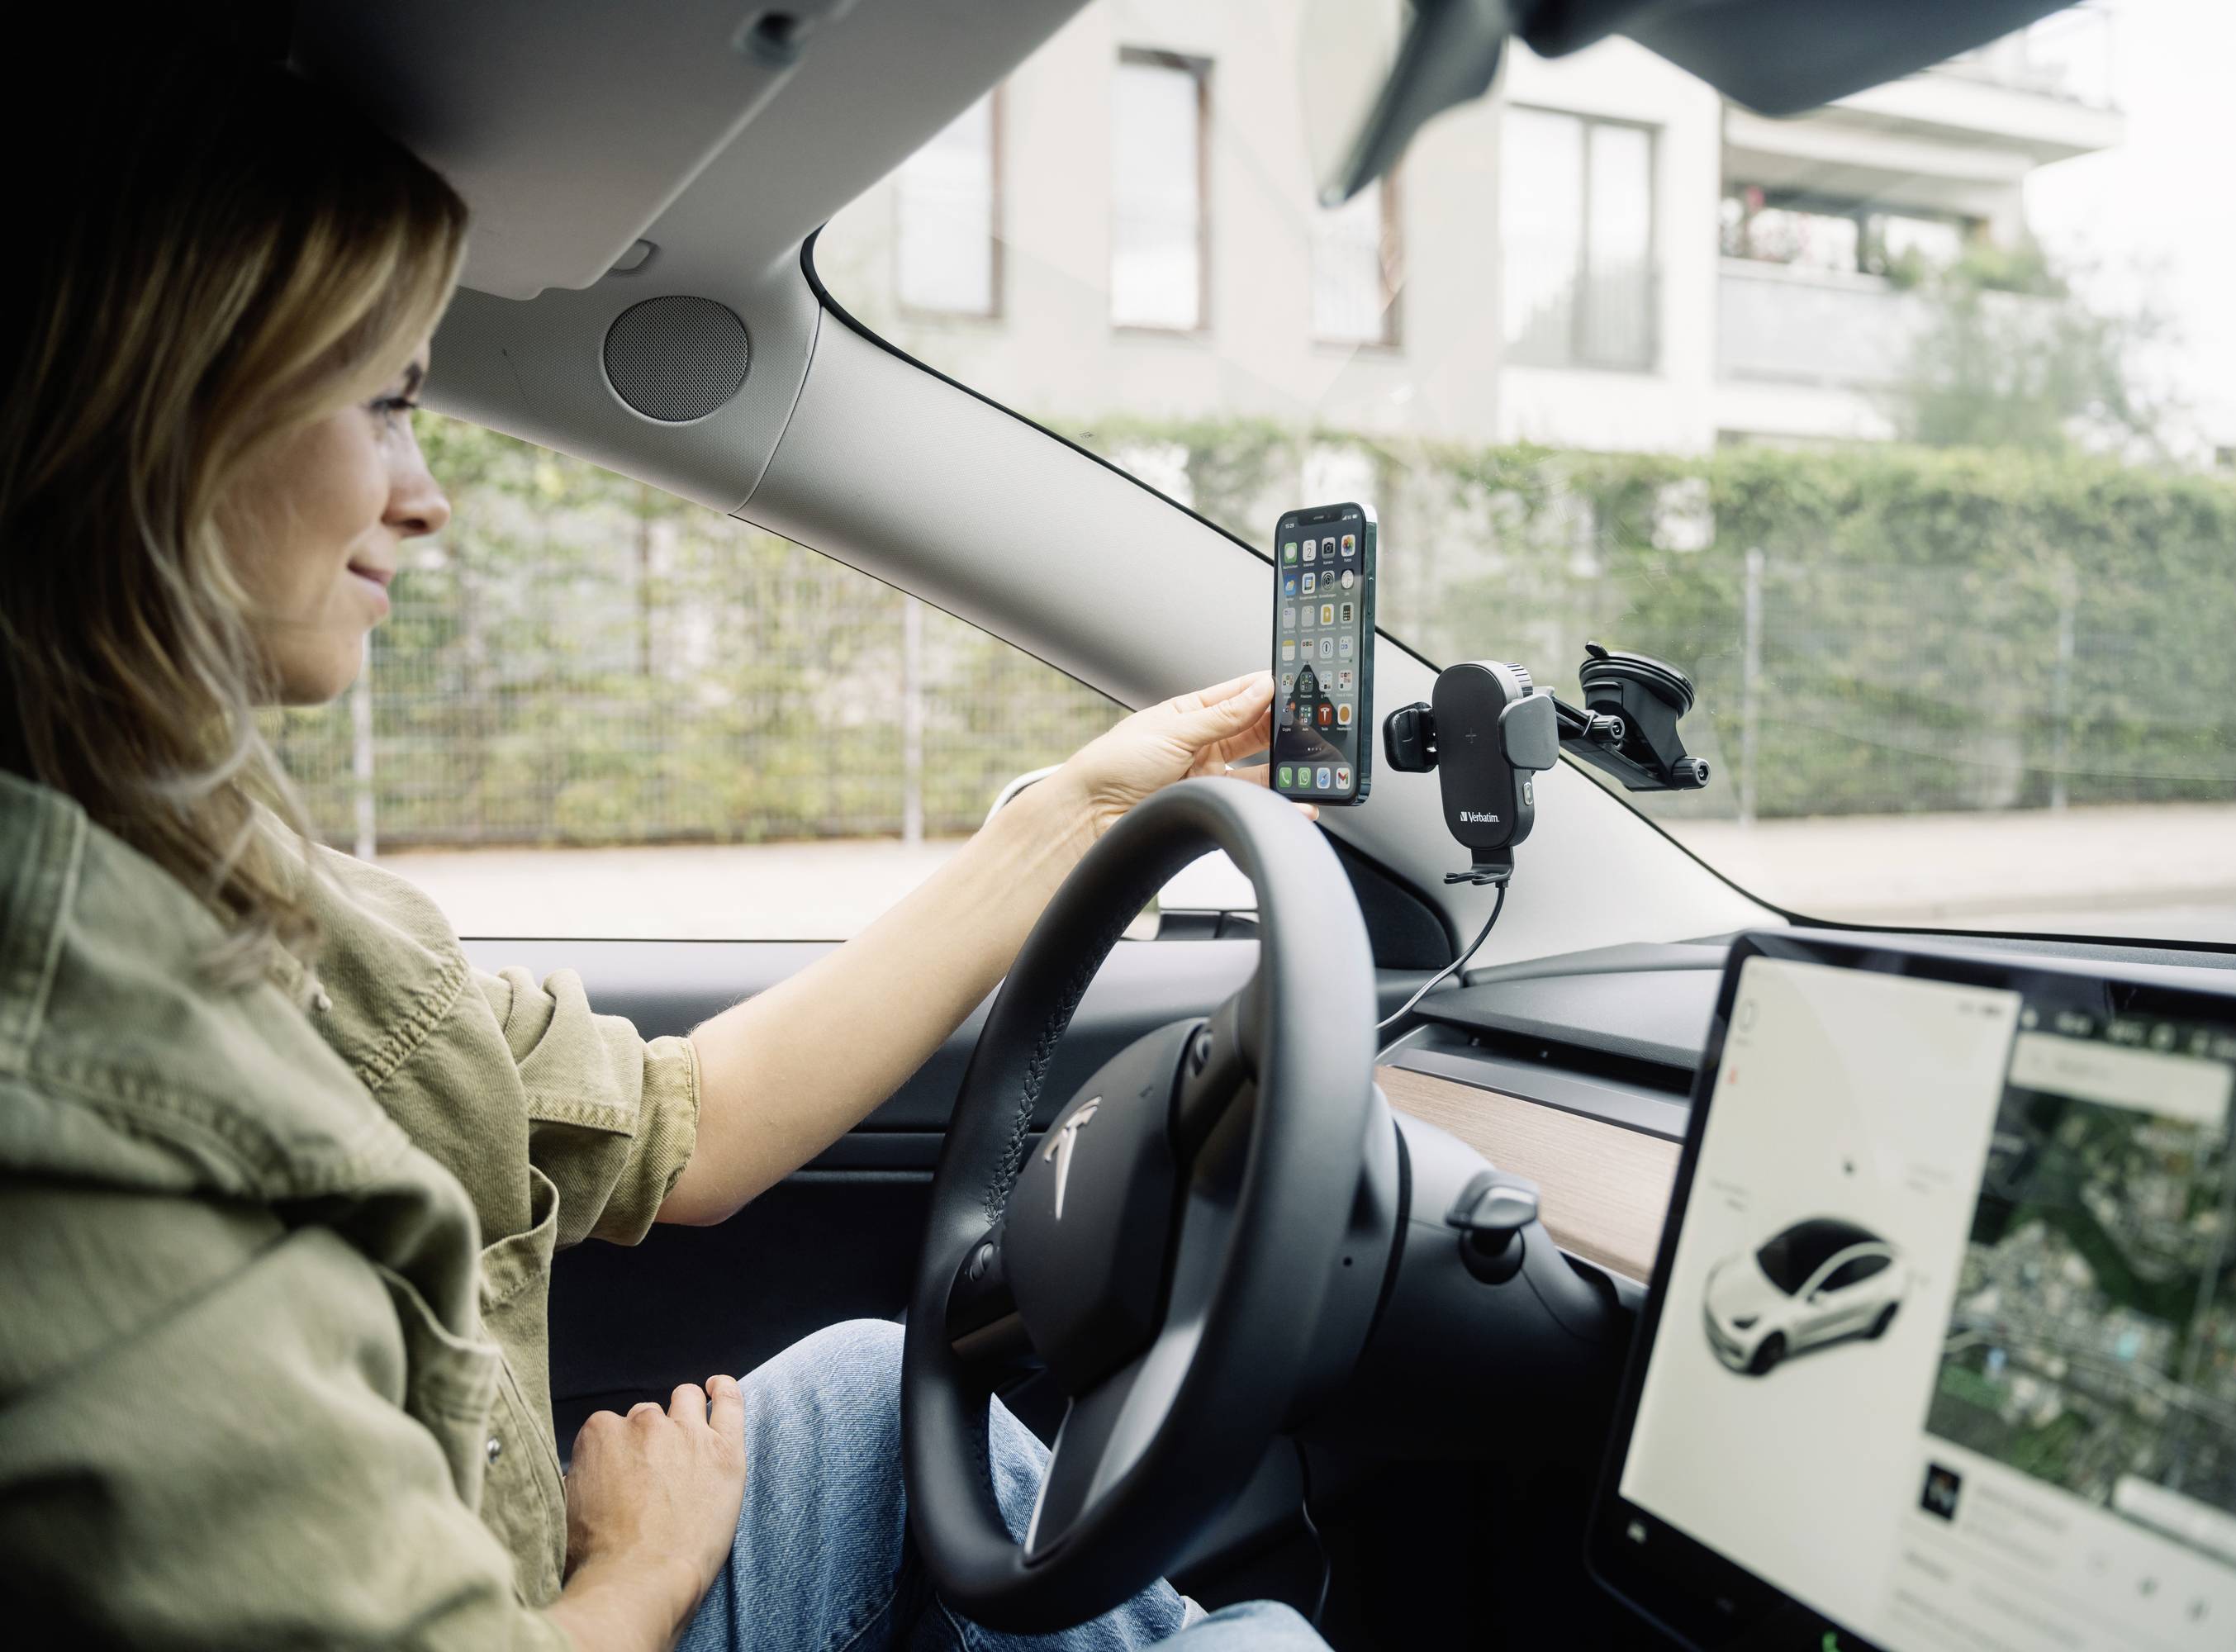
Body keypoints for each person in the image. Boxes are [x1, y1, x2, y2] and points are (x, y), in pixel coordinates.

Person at [0, 39, 1328, 1652]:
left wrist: (1074, 819)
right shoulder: (67, 1087)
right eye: (386, 403)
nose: (427, 501)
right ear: (151, 422)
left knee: (857, 1390)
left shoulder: (265, 909)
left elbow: (690, 1127)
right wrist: (635, 1567)